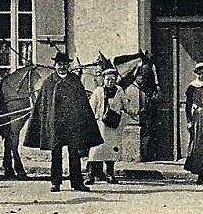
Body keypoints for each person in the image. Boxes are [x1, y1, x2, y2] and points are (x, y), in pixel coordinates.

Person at [24, 51, 105, 192]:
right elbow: (43, 105)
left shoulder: (74, 80)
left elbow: (82, 104)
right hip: (55, 125)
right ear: (55, 65)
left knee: (74, 154)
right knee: (56, 154)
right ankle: (55, 182)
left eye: (65, 65)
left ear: (68, 66)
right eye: (59, 64)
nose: (62, 67)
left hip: (72, 125)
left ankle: (77, 182)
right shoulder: (49, 82)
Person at [88, 68, 132, 184]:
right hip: (99, 125)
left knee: (111, 150)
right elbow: (92, 107)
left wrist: (132, 111)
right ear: (103, 79)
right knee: (95, 150)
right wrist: (90, 121)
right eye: (108, 79)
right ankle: (92, 175)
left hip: (113, 125)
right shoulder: (98, 91)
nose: (110, 82)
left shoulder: (119, 91)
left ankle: (110, 175)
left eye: (112, 79)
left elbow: (126, 106)